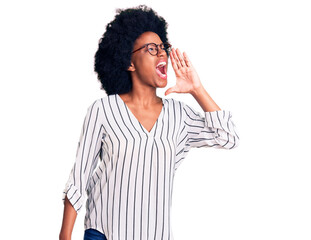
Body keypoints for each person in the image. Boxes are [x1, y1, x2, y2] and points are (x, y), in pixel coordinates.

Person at [59, 4, 240, 240]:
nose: (162, 53)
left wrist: (197, 89)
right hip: (103, 233)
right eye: (151, 49)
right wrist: (64, 236)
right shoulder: (103, 110)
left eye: (163, 47)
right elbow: (78, 179)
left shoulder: (179, 116)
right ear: (129, 63)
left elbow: (228, 137)